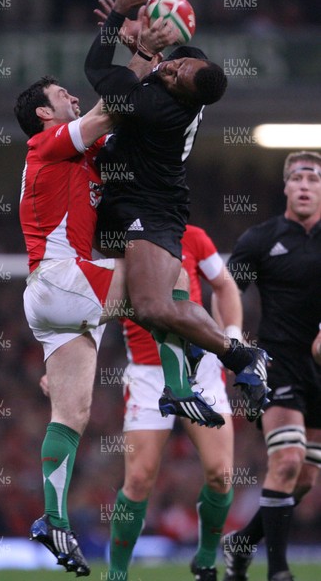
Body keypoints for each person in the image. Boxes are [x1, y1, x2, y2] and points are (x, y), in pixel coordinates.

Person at [14, 0, 269, 576]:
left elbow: (112, 107)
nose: (71, 98)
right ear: (46, 115)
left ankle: (51, 520)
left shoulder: (88, 152)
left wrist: (134, 31)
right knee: (162, 279)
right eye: (61, 98)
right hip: (69, 279)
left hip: (49, 301)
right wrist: (137, 37)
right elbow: (108, 98)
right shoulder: (51, 141)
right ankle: (224, 361)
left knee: (69, 416)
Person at [85, 0, 269, 425]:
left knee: (149, 304)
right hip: (120, 198)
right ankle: (181, 379)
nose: (170, 69)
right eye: (176, 64)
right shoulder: (193, 69)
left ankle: (241, 354)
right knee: (146, 300)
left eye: (173, 75)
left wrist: (121, 24)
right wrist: (140, 34)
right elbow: (159, 60)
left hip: (152, 205)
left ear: (181, 96)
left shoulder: (155, 107)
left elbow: (96, 68)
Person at [108, 224, 243, 581]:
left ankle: (205, 561)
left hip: (200, 367)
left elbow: (225, 284)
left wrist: (232, 338)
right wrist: (55, 360)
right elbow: (92, 304)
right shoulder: (118, 244)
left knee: (221, 474)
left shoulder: (194, 236)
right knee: (137, 479)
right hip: (148, 374)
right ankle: (116, 574)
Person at [221, 151, 321, 581]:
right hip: (277, 365)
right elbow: (227, 287)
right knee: (285, 462)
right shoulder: (261, 238)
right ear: (285, 187)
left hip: (318, 370)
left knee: (304, 481)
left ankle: (241, 544)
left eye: (313, 179)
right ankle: (279, 572)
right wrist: (232, 336)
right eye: (297, 177)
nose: (304, 185)